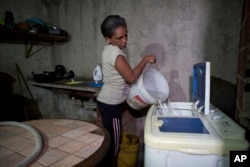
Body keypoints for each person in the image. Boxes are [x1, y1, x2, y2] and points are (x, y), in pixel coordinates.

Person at [96, 15, 156, 167]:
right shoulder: (116, 53)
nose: (125, 40)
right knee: (114, 148)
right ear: (108, 38)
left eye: (126, 35)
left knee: (108, 143)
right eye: (119, 38)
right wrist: (145, 60)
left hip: (106, 103)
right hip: (111, 106)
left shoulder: (108, 50)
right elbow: (131, 77)